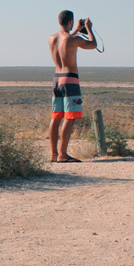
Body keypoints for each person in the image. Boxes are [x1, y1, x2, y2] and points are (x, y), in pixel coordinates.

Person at [48, 10, 96, 162]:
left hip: (57, 79)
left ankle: (54, 154)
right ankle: (63, 154)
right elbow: (93, 45)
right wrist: (88, 28)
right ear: (70, 22)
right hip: (70, 79)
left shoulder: (52, 38)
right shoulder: (72, 39)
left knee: (56, 117)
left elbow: (67, 38)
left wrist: (76, 30)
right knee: (70, 117)